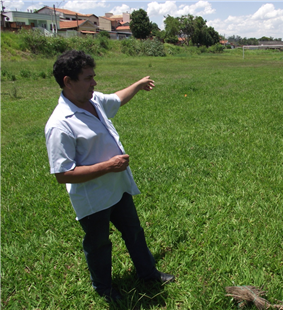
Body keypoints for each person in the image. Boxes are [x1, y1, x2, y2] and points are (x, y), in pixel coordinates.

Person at [45, 50, 174, 303]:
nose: (94, 83)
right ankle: (103, 287)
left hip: (117, 187)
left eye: (94, 76)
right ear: (68, 82)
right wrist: (108, 166)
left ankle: (148, 273)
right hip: (93, 199)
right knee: (99, 246)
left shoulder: (93, 101)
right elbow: (63, 174)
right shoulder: (60, 124)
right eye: (88, 78)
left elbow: (116, 98)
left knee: (135, 232)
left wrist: (137, 85)